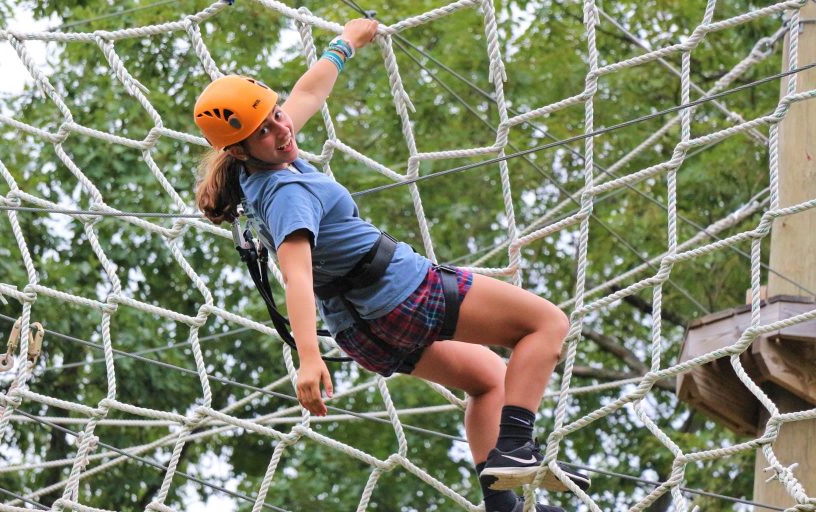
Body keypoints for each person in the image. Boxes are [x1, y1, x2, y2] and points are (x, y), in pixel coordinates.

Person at [192, 18, 589, 512]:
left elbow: (307, 95)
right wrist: (309, 359)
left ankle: (502, 507)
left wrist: (345, 44)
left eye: (275, 115)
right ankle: (515, 447)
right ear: (237, 147)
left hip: (365, 333)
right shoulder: (287, 192)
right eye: (266, 129)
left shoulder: (258, 167)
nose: (281, 128)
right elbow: (296, 275)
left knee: (489, 379)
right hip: (404, 295)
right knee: (546, 324)